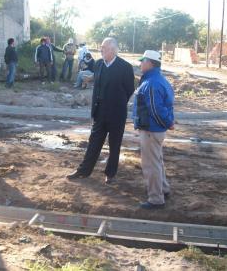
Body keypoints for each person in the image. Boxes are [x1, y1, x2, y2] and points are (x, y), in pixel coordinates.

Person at [67, 37, 134, 184]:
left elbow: (130, 89)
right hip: (100, 112)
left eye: (103, 47)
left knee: (114, 145)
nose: (101, 50)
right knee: (93, 143)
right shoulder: (98, 64)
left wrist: (118, 103)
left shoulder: (125, 67)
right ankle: (83, 171)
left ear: (112, 49)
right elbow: (96, 87)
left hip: (117, 114)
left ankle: (110, 174)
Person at [132, 50, 174, 209]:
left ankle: (156, 199)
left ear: (150, 63)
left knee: (151, 165)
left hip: (151, 129)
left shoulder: (151, 83)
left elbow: (156, 110)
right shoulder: (159, 80)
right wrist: (168, 122)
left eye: (142, 61)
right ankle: (163, 189)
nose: (140, 63)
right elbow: (166, 106)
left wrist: (167, 122)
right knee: (157, 161)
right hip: (155, 129)